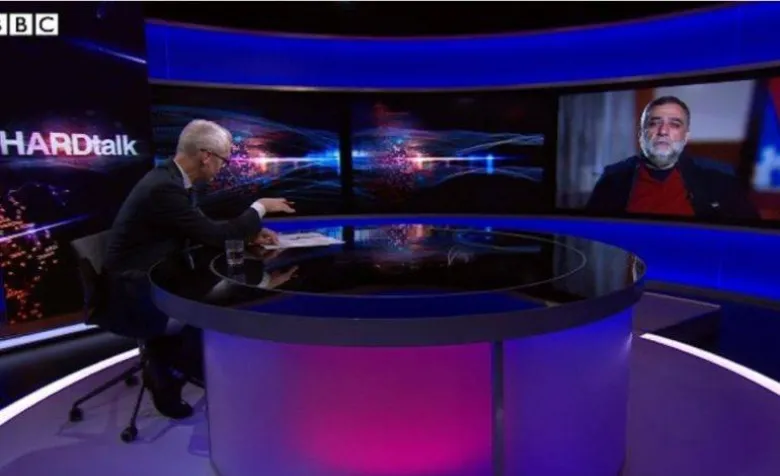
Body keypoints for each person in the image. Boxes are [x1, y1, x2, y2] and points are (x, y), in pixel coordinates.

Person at [93, 119, 295, 419]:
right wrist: (260, 207)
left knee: (214, 289)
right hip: (132, 289)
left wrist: (249, 235)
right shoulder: (164, 187)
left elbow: (203, 229)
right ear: (205, 156)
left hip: (155, 273)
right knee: (213, 302)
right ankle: (166, 375)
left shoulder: (173, 180)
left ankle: (185, 365)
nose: (223, 168)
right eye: (223, 160)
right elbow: (216, 236)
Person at [586, 96, 759, 220]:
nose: (663, 131)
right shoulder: (613, 179)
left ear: (686, 137)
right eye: (654, 123)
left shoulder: (720, 182)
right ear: (641, 135)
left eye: (674, 125)